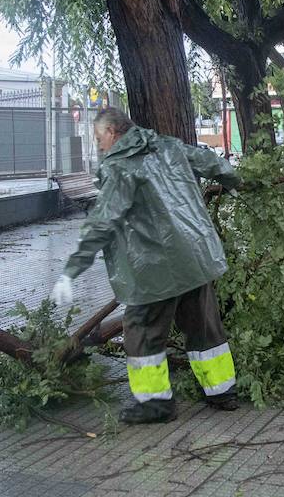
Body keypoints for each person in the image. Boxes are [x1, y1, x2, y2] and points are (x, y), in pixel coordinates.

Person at [49, 108, 243, 424]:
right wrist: (234, 181)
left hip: (153, 269)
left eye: (99, 138)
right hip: (195, 257)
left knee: (141, 331)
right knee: (205, 328)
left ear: (112, 132)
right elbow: (214, 164)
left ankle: (155, 404)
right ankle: (223, 393)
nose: (99, 146)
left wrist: (72, 270)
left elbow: (102, 223)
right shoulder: (168, 145)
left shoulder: (120, 168)